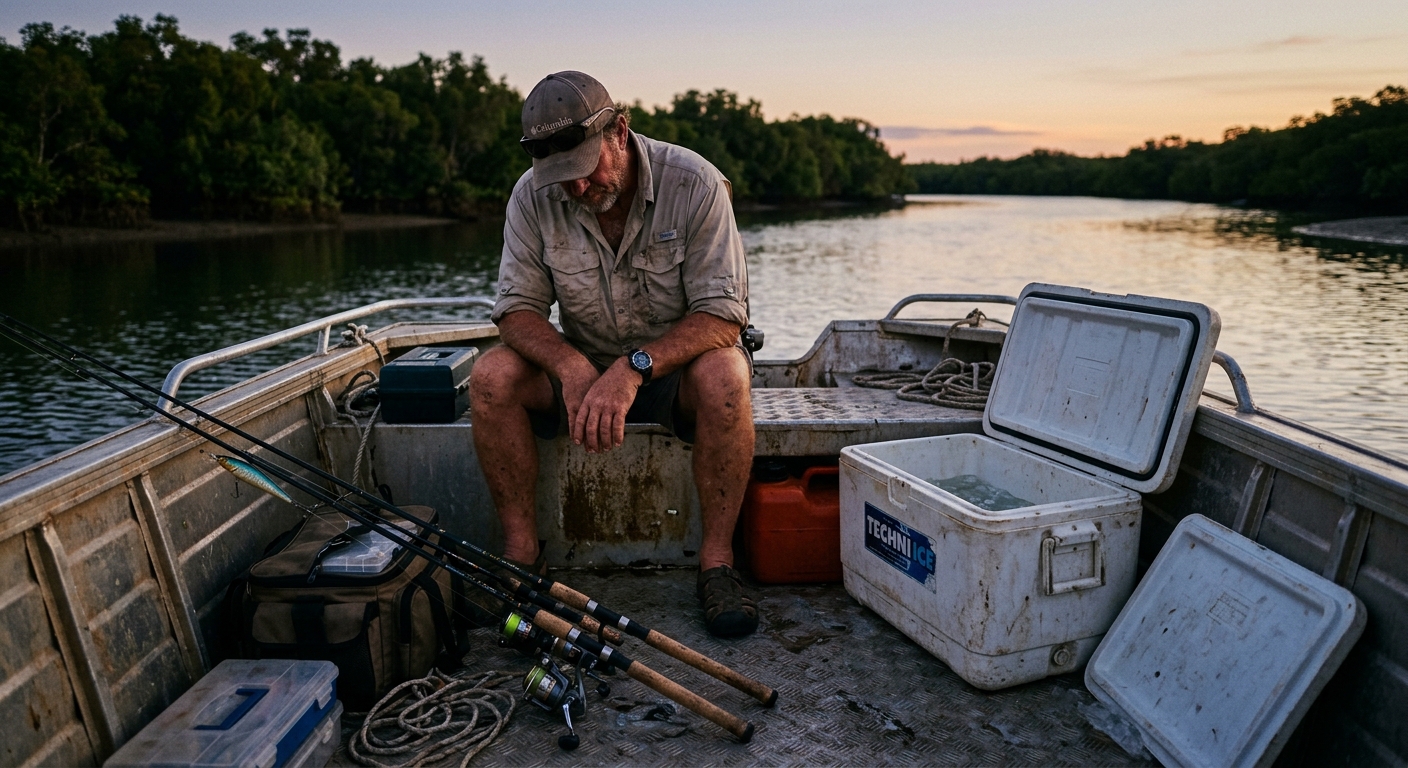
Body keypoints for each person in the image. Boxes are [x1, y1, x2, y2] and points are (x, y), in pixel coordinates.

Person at [469, 71, 759, 637]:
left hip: (675, 374)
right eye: (559, 179)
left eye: (582, 171)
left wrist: (633, 368)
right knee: (491, 376)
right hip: (580, 372)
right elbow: (516, 312)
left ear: (619, 132)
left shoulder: (695, 183)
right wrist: (573, 367)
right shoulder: (531, 197)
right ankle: (522, 560)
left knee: (728, 373)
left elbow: (723, 317)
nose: (575, 189)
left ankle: (718, 564)